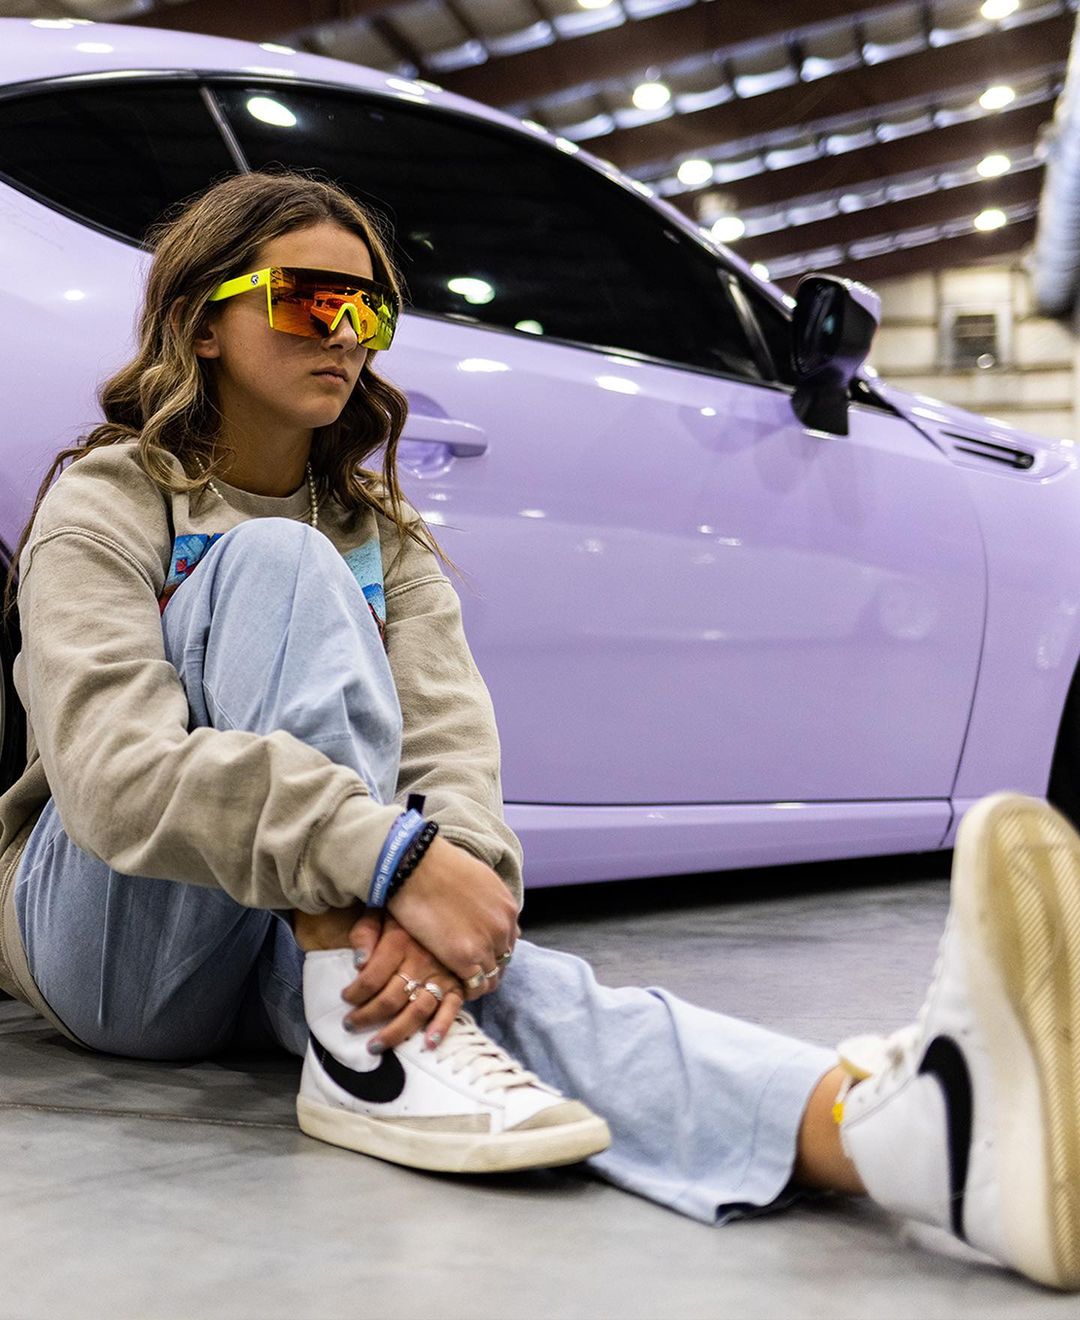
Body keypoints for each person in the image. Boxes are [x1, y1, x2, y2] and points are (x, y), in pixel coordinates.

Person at [0, 169, 1076, 1291]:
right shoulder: (111, 499)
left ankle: (899, 1137)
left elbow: (451, 753)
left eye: (368, 309)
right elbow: (114, 774)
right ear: (199, 323)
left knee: (491, 994)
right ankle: (361, 1017)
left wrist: (450, 875)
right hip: (115, 945)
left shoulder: (384, 537)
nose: (347, 334)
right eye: (309, 300)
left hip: (283, 930)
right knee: (276, 563)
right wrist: (389, 859)